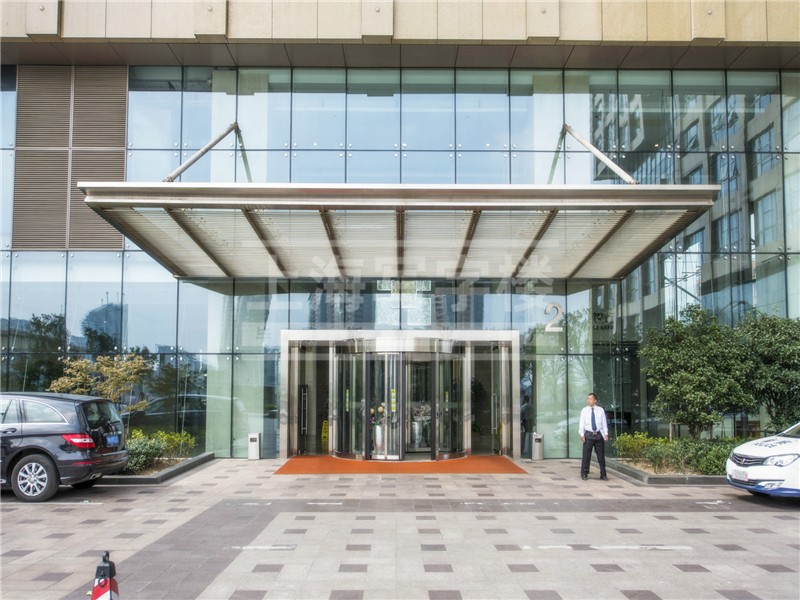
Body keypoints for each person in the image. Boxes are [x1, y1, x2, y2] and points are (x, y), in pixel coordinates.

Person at [578, 392, 608, 480]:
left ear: (595, 400)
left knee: (601, 456)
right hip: (588, 434)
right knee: (586, 455)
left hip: (598, 435)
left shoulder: (600, 410)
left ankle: (603, 474)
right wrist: (581, 434)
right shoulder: (584, 410)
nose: (588, 400)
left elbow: (604, 423)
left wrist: (605, 433)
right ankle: (584, 473)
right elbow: (581, 424)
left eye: (590, 398)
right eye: (588, 398)